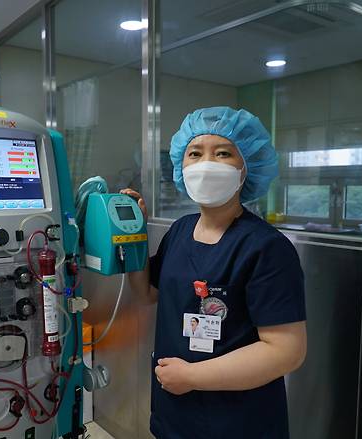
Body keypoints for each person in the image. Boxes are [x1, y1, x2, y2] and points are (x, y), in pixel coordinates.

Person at [123, 107, 307, 439]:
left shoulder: (266, 248)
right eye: (195, 153)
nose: (206, 163)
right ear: (182, 165)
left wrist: (192, 376)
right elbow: (146, 294)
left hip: (237, 421)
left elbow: (285, 351)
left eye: (222, 153)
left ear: (245, 167)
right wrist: (134, 235)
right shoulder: (179, 231)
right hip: (175, 411)